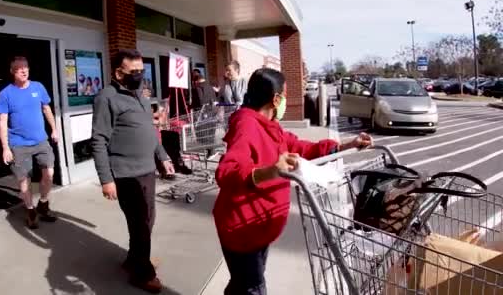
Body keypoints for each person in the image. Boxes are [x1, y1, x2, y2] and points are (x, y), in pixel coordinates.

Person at [213, 68, 372, 294]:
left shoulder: (270, 126)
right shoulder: (246, 125)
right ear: (275, 99)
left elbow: (301, 147)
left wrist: (347, 144)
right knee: (254, 288)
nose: (286, 101)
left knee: (243, 283)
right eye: (284, 95)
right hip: (242, 229)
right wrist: (271, 171)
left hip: (259, 226)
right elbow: (227, 172)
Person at [91, 48, 175, 293]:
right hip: (125, 173)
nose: (140, 75)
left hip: (147, 169)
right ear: (119, 72)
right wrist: (106, 179)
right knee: (140, 223)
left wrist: (162, 156)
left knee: (147, 219)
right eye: (134, 71)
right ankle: (142, 273)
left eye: (142, 70)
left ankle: (135, 258)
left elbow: (149, 129)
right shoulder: (106, 98)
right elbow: (98, 140)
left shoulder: (140, 94)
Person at [0, 56, 58, 229]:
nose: (23, 71)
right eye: (19, 68)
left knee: (49, 174)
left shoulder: (38, 87)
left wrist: (54, 129)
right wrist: (5, 148)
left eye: (26, 67)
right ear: (12, 72)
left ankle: (43, 204)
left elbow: (47, 109)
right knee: (24, 182)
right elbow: (2, 122)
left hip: (41, 141)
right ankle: (31, 210)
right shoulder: (6, 93)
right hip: (18, 144)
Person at [191, 68, 218, 158]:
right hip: (212, 113)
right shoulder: (210, 87)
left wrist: (191, 105)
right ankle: (211, 151)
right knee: (209, 133)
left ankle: (211, 151)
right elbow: (214, 99)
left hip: (202, 114)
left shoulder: (198, 88)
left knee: (202, 134)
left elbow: (200, 101)